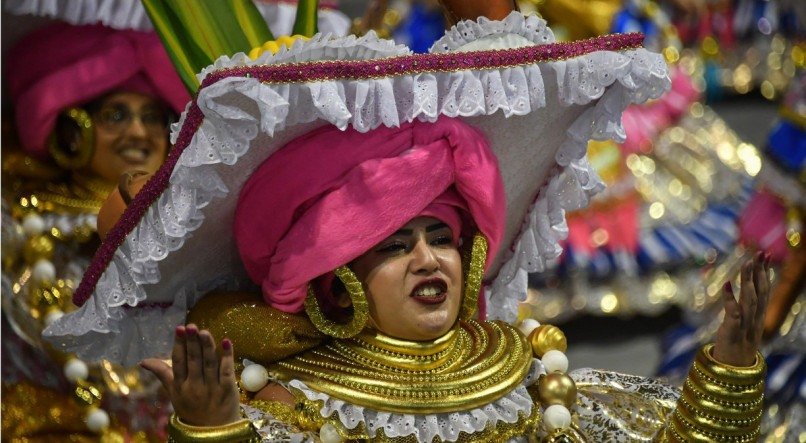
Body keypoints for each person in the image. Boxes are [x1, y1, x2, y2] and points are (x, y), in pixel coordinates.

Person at [44, 2, 769, 441]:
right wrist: (211, 427)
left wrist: (728, 375)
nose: (430, 258)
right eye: (394, 242)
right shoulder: (295, 404)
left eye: (442, 236)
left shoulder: (533, 378)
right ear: (336, 276)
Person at [1, 22, 188, 440]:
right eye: (115, 114)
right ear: (73, 127)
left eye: (151, 117)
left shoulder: (197, 233)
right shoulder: (20, 228)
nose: (138, 132)